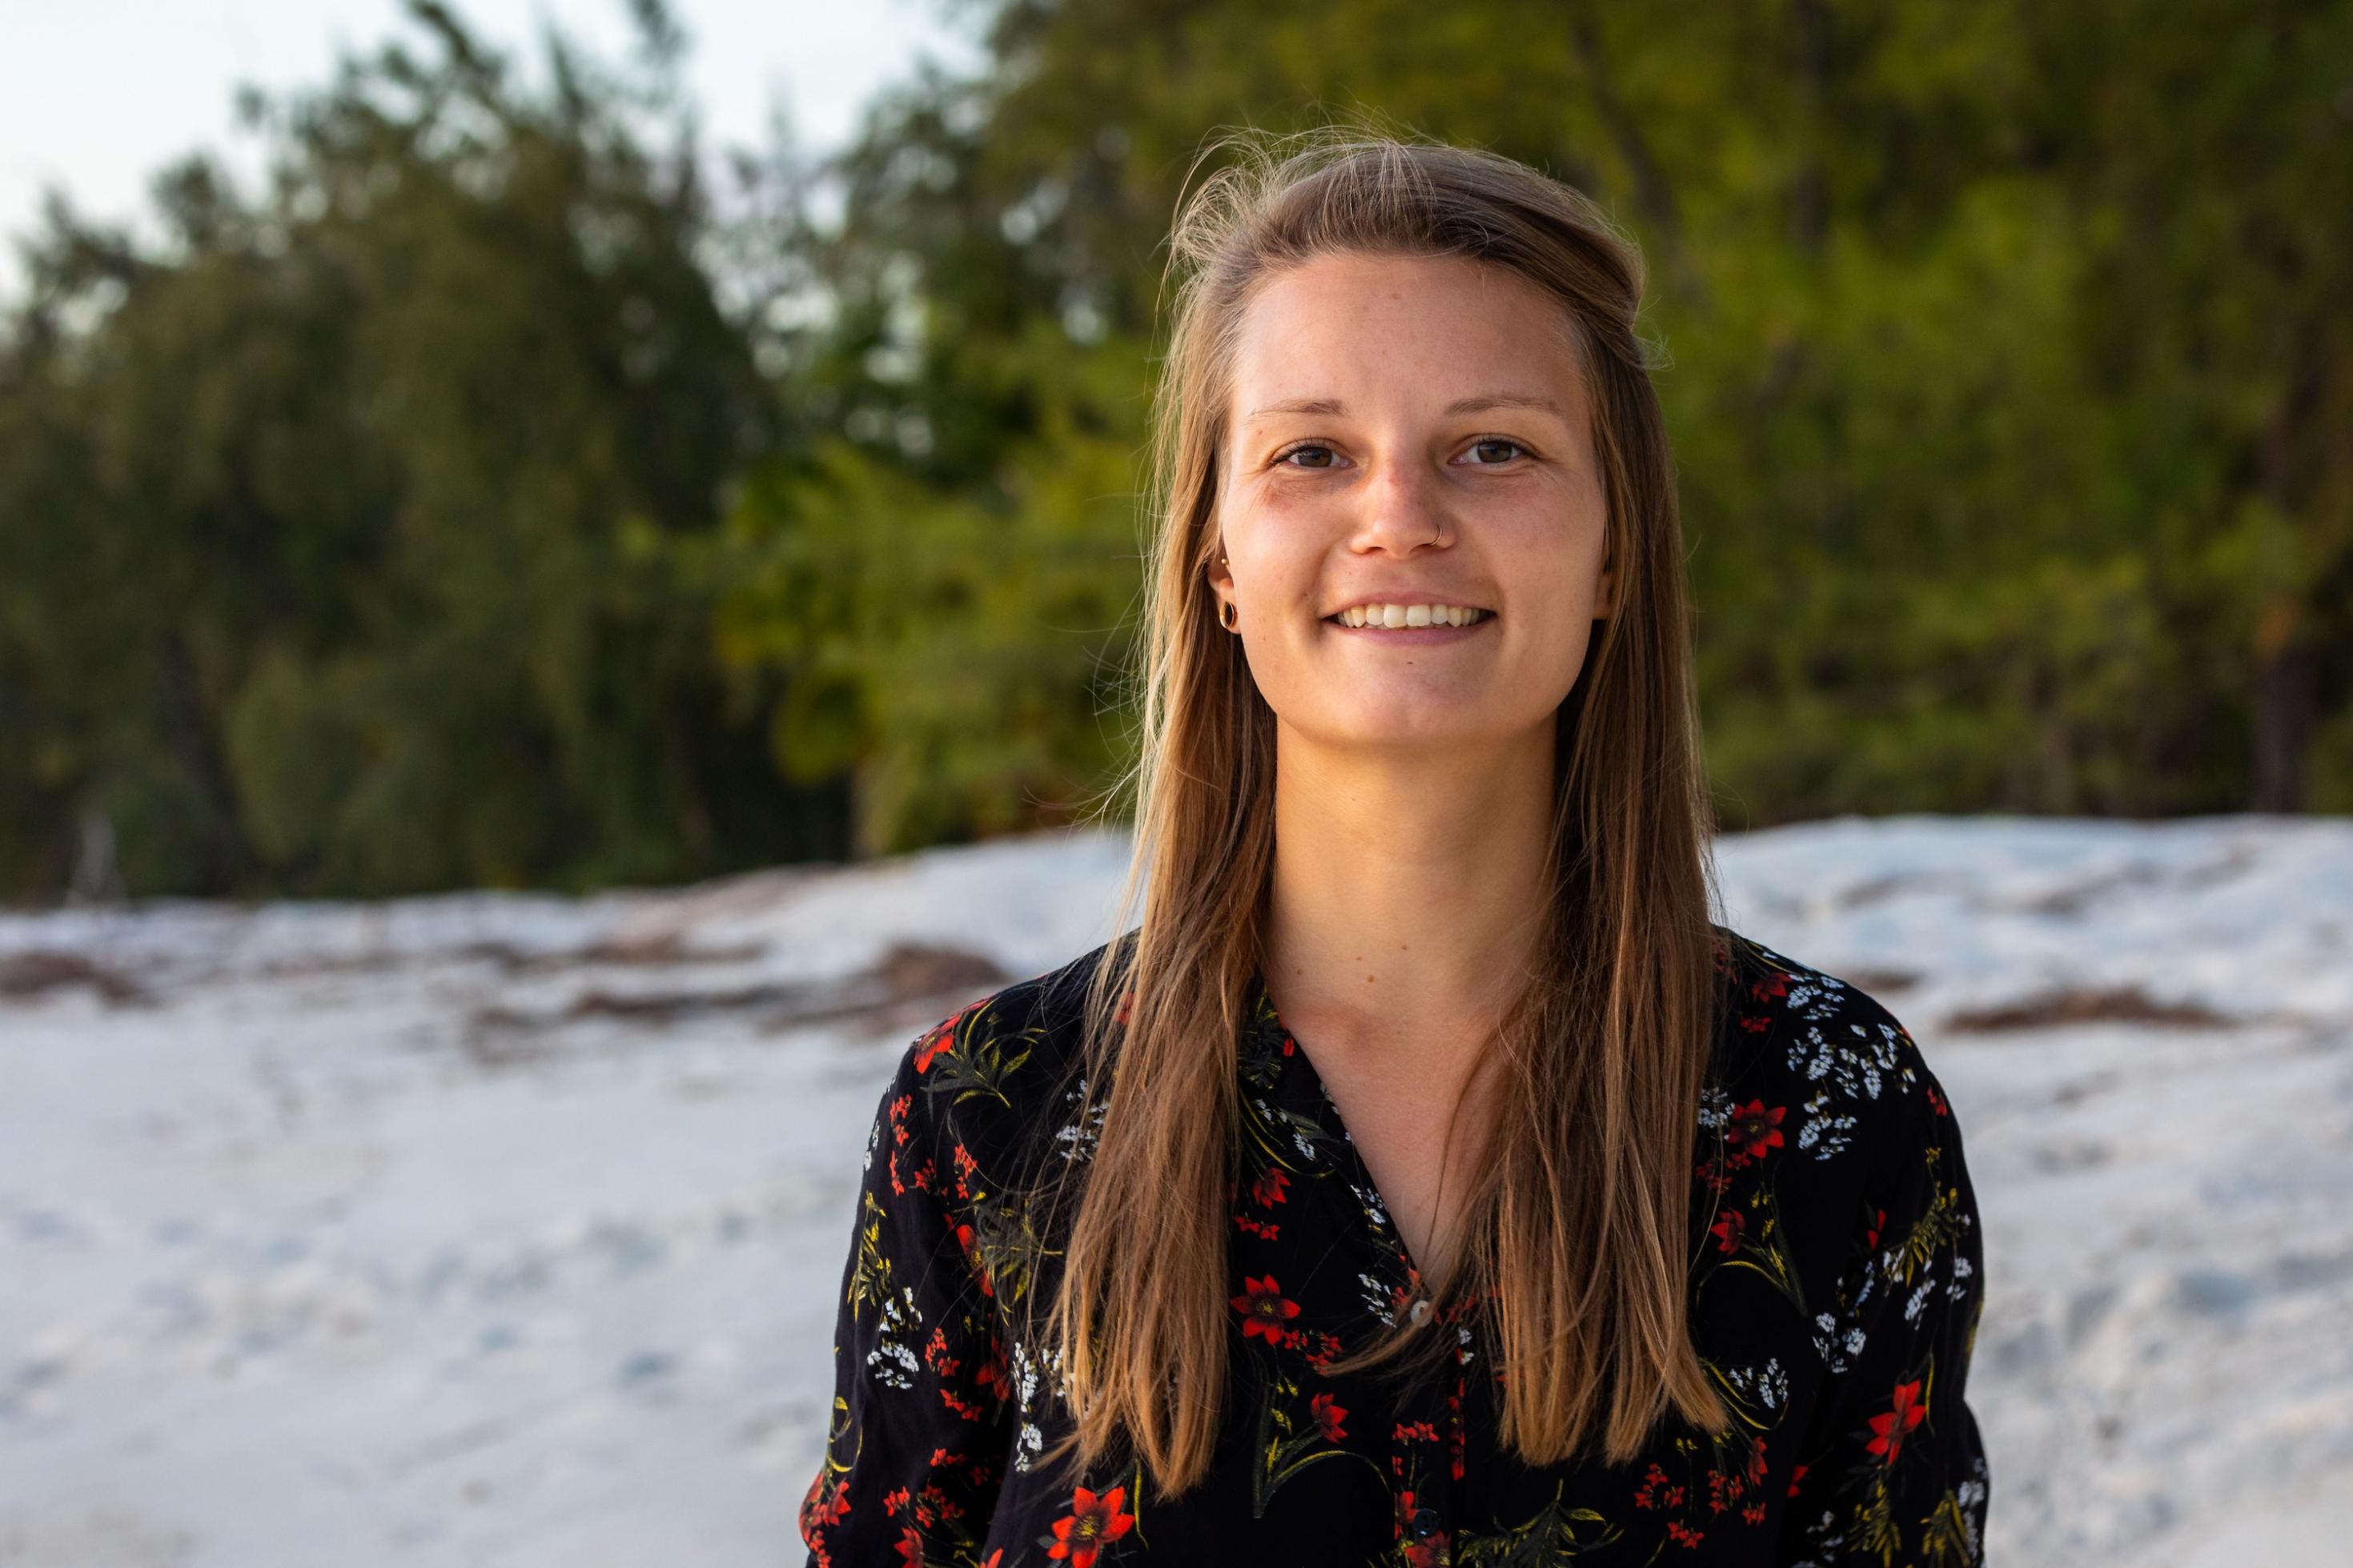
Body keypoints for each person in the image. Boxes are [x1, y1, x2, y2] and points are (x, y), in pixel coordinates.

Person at [798, 127, 1990, 1566]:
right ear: (1221, 561)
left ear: (1615, 549)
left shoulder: (1831, 1117)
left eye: (1495, 448)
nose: (1401, 518)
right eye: (1314, 452)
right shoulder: (987, 1123)